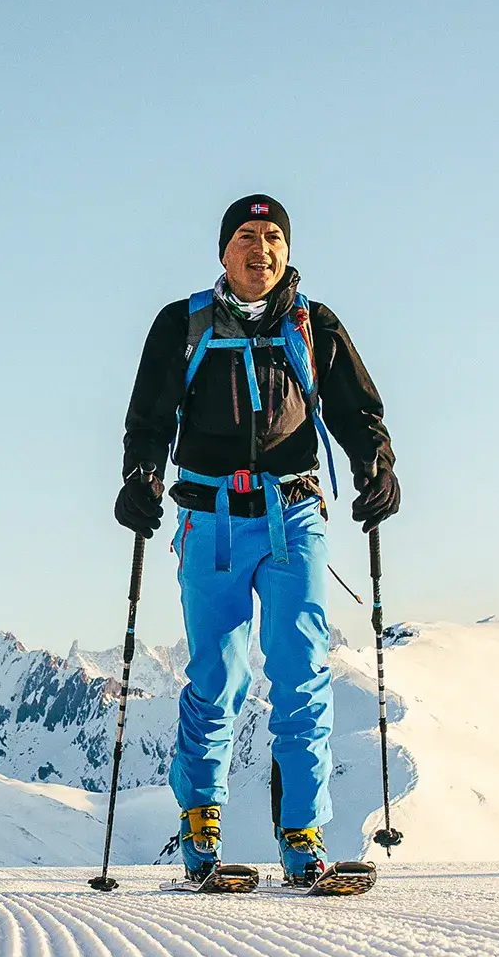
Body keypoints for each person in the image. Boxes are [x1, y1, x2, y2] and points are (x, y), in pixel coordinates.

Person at [116, 195, 398, 886]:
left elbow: (355, 407)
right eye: (247, 236)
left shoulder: (313, 323)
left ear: (287, 251)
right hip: (207, 518)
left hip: (293, 513)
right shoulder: (181, 325)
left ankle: (304, 839)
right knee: (217, 676)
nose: (260, 249)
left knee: (302, 672)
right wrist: (140, 477)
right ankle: (201, 834)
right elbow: (148, 415)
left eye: (273, 237)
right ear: (224, 251)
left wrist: (376, 465)